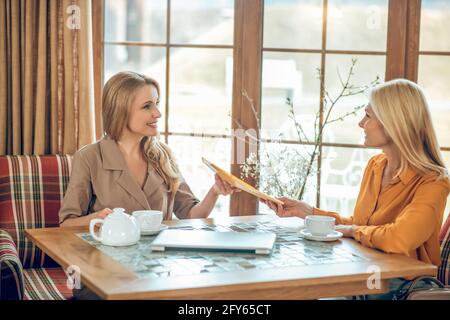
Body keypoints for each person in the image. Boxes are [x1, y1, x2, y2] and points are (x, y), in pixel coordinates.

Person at [264, 79, 450, 299]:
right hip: (365, 272)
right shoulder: (376, 166)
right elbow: (364, 226)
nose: (361, 123)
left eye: (368, 115)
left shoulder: (434, 181)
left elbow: (398, 238)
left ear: (394, 123)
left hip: (399, 287)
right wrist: (309, 212)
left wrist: (351, 231)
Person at [59, 71, 239, 299]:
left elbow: (191, 215)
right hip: (103, 274)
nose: (157, 113)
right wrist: (99, 219)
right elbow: (66, 225)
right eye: (147, 106)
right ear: (121, 110)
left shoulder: (163, 155)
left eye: (157, 104)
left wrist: (214, 192)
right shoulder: (90, 157)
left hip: (159, 270)